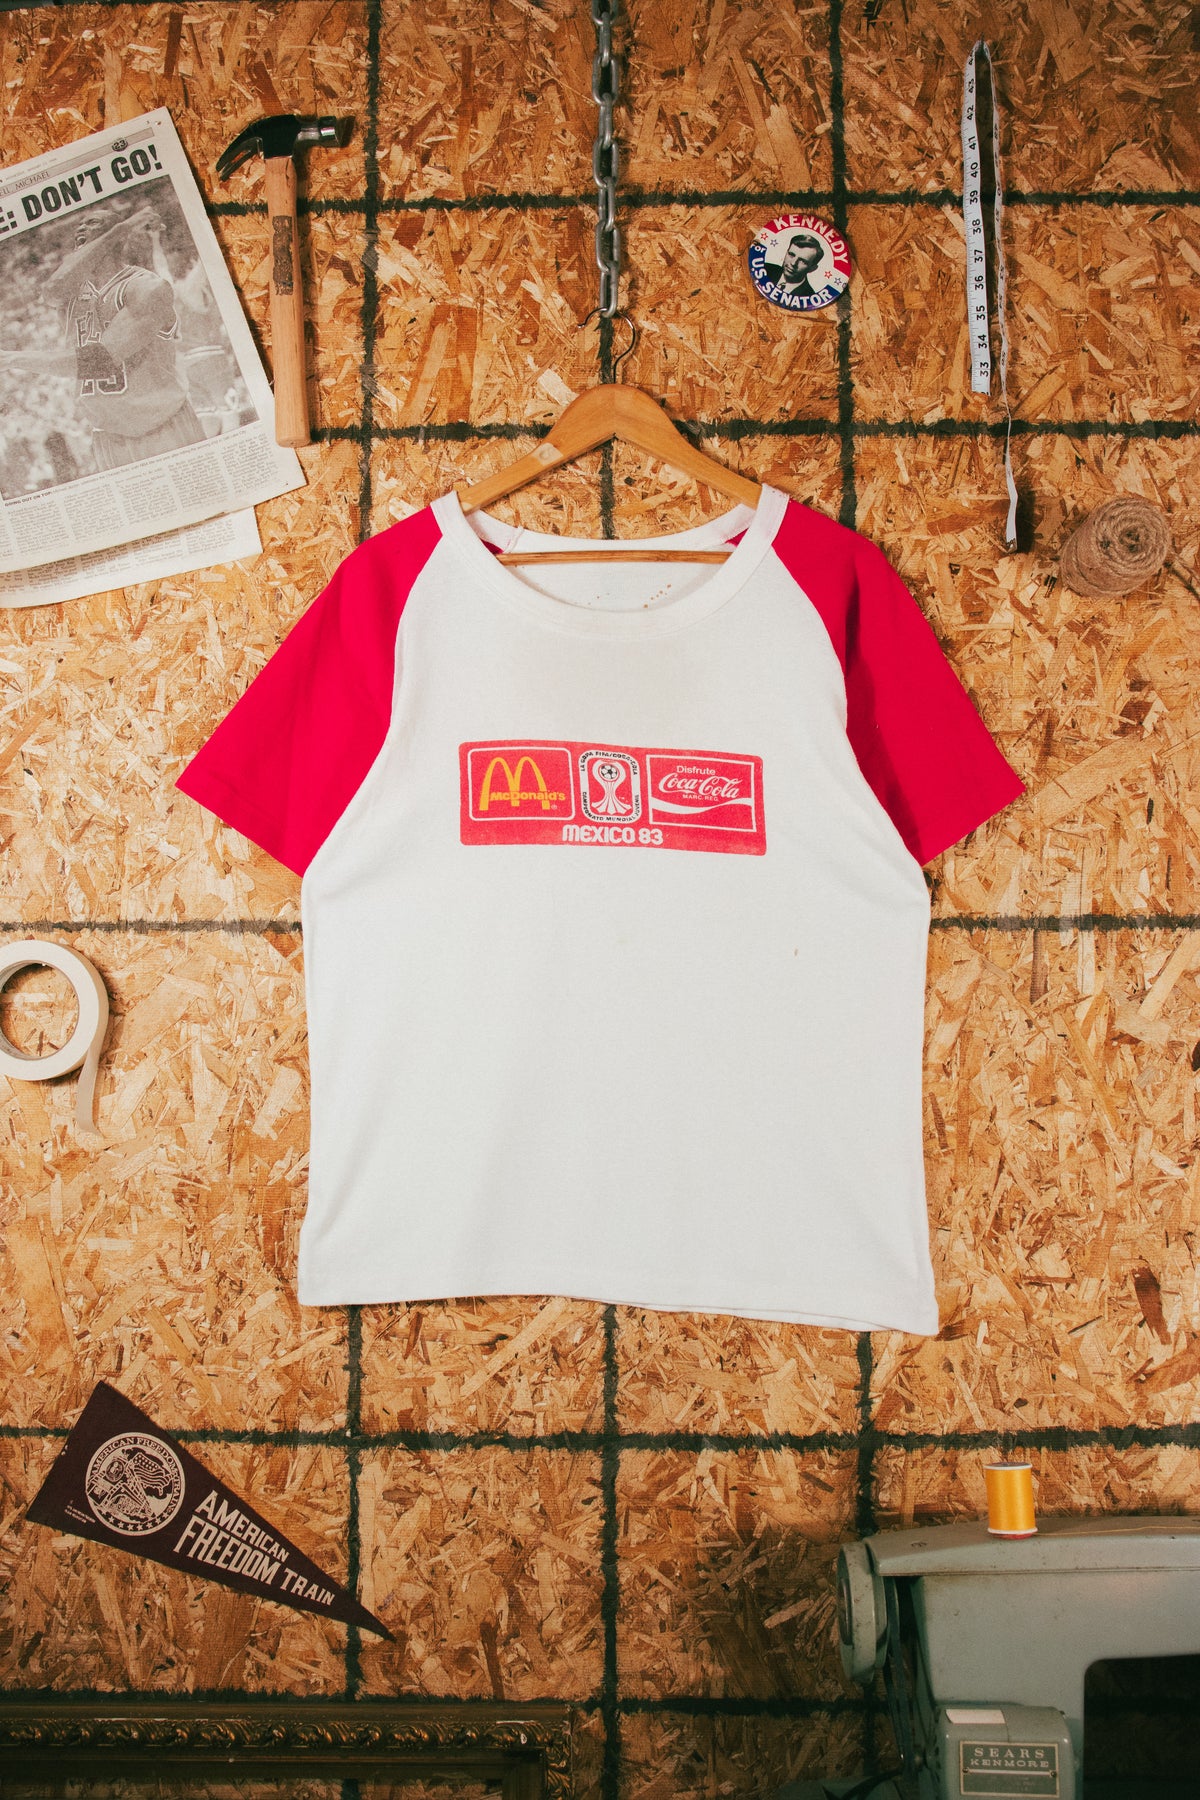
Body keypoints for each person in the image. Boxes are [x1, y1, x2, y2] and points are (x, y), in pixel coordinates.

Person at [0, 205, 205, 472]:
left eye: (92, 223)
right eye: (79, 228)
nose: (81, 228)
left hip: (162, 427)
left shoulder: (147, 286)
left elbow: (99, 361)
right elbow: (52, 289)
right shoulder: (70, 296)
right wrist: (121, 228)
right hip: (107, 437)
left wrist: (10, 358)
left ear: (117, 238)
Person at [764, 231, 827, 300]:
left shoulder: (809, 297)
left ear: (812, 268)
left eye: (802, 261)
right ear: (786, 253)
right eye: (791, 254)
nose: (793, 263)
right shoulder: (764, 269)